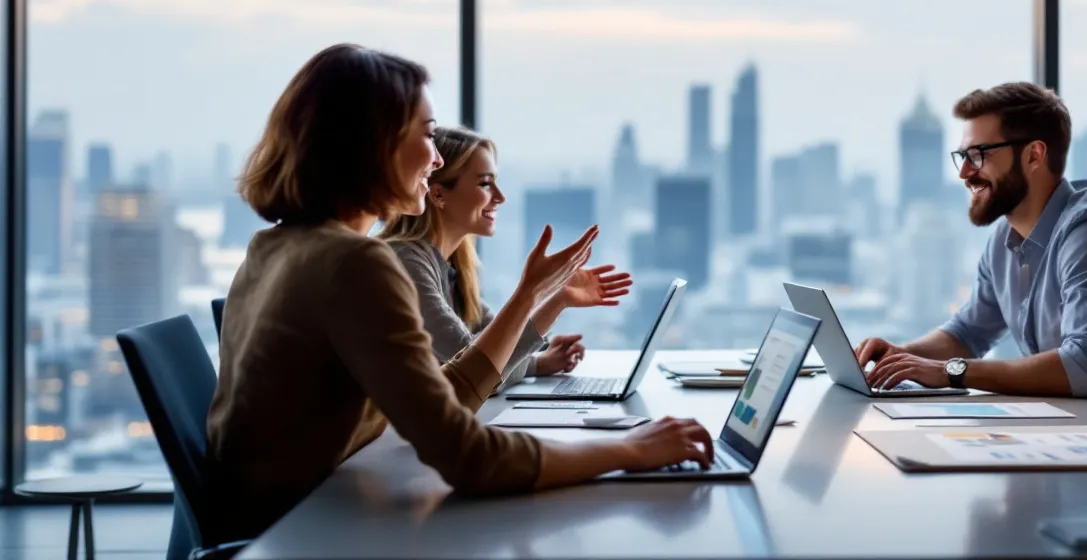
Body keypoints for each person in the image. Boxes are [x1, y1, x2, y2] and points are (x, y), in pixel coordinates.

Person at [207, 44, 713, 543]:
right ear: (373, 144)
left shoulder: (273, 247)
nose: (433, 158)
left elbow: (441, 401)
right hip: (305, 537)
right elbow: (469, 457)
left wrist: (536, 294)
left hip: (285, 527)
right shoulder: (354, 264)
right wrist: (629, 450)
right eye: (426, 136)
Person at [856, 82, 1087, 421]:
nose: (964, 173)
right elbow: (967, 333)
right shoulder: (1005, 238)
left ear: (1034, 155)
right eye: (962, 156)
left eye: (980, 155)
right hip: (1078, 434)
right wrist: (897, 358)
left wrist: (950, 371)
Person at [380, 126, 618, 385]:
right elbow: (477, 373)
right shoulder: (405, 263)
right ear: (438, 194)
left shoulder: (455, 269)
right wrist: (538, 293)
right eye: (485, 184)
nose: (500, 197)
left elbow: (495, 360)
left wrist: (558, 303)